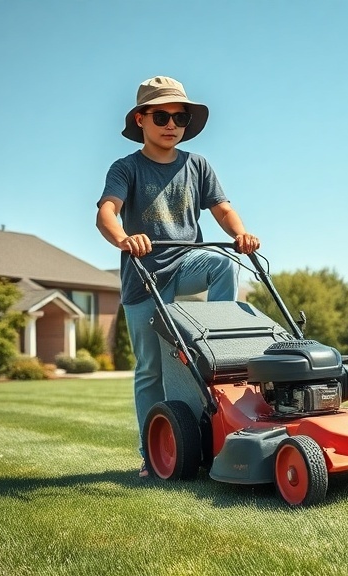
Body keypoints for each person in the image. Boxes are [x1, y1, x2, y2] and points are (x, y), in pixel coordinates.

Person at [96, 76, 259, 477]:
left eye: (180, 117)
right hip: (144, 279)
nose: (172, 124)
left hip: (186, 265)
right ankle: (151, 455)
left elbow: (222, 208)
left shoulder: (197, 165)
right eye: (162, 116)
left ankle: (220, 336)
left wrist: (239, 232)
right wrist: (123, 239)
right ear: (141, 119)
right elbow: (106, 213)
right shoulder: (126, 168)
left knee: (221, 263)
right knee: (150, 370)